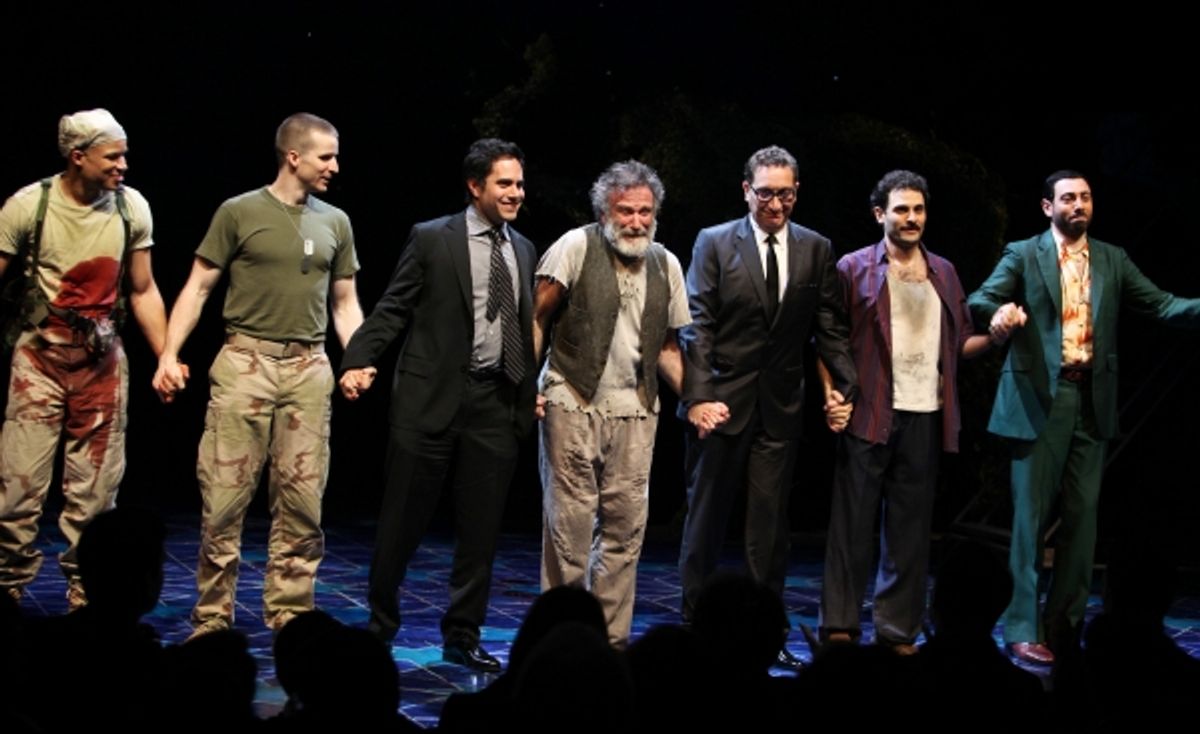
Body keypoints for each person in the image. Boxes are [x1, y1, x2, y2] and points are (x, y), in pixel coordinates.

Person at [968, 170, 1200, 664]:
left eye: (1086, 197)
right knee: (1030, 522)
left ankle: (1064, 626)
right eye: (1069, 198)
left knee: (1082, 524)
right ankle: (1022, 628)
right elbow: (982, 297)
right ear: (1047, 206)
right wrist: (1000, 314)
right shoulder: (1024, 253)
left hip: (1090, 401)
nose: (1079, 205)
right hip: (1038, 401)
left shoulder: (1112, 259)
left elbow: (1161, 305)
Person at [153, 112, 364, 636]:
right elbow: (198, 288)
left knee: (303, 501)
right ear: (294, 156)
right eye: (325, 156)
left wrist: (357, 358)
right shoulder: (239, 212)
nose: (334, 166)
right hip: (245, 364)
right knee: (225, 498)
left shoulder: (335, 222)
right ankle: (211, 616)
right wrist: (168, 353)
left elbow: (345, 303)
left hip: (308, 367)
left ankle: (291, 613)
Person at [339, 138, 537, 672]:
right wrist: (357, 360)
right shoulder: (432, 238)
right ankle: (379, 630)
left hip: (495, 402)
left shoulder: (522, 249)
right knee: (401, 524)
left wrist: (526, 396)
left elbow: (524, 326)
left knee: (480, 532)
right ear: (475, 187)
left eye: (519, 183)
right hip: (431, 400)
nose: (516, 192)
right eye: (504, 183)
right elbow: (393, 306)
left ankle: (463, 636)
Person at [677, 145, 857, 667]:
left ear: (796, 192)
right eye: (765, 193)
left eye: (785, 194)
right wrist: (701, 398)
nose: (775, 204)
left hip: (779, 407)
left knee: (769, 532)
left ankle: (765, 636)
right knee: (706, 522)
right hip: (721, 405)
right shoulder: (714, 242)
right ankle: (695, 626)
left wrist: (846, 386)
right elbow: (698, 324)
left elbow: (828, 326)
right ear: (746, 191)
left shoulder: (814, 248)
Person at [817, 170, 991, 653]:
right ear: (880, 215)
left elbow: (959, 345)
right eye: (901, 209)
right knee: (851, 524)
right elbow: (826, 337)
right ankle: (841, 622)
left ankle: (898, 627)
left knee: (910, 530)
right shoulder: (854, 267)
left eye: (918, 209)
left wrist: (996, 335)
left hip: (925, 412)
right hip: (869, 409)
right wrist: (832, 394)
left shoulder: (945, 272)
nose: (911, 218)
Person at [0, 108, 168, 608]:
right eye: (112, 156)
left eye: (124, 154)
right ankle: (7, 588)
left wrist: (167, 356)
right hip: (39, 362)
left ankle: (88, 594)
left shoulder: (130, 207)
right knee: (18, 490)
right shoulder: (30, 206)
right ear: (78, 157)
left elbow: (143, 290)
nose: (123, 165)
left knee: (95, 498)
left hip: (101, 366)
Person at [532, 160, 689, 647]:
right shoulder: (575, 246)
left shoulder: (666, 263)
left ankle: (610, 643)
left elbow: (667, 348)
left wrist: (698, 400)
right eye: (626, 211)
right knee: (569, 527)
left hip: (637, 410)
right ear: (605, 211)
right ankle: (561, 637)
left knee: (625, 531)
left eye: (645, 212)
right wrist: (525, 389)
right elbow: (536, 318)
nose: (636, 221)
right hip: (572, 400)